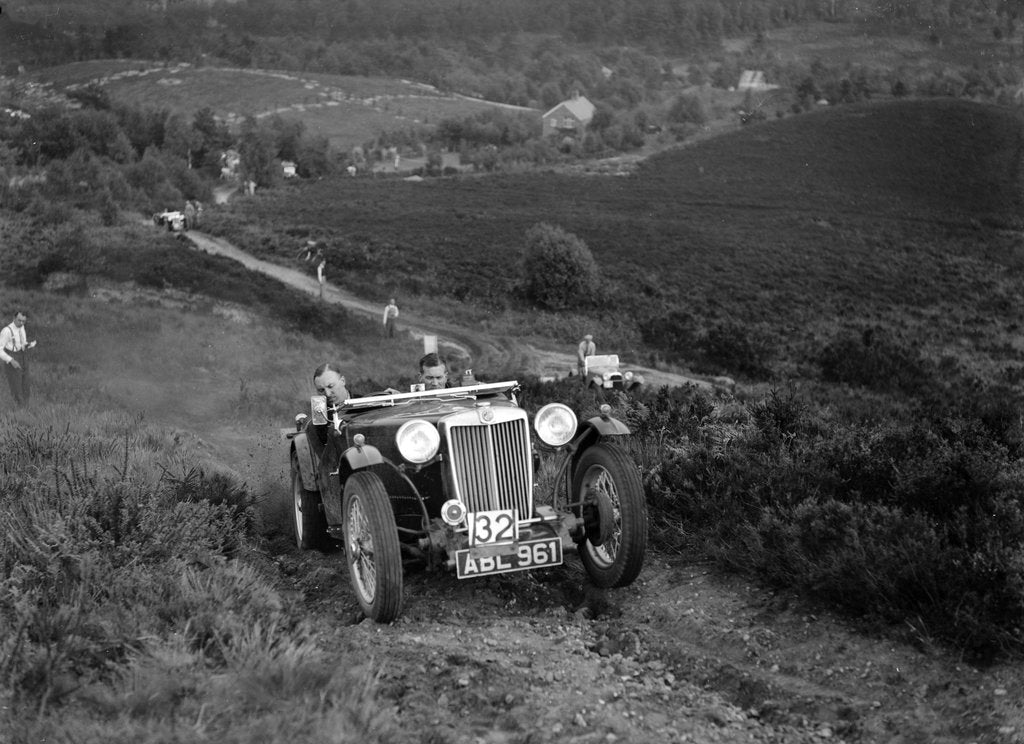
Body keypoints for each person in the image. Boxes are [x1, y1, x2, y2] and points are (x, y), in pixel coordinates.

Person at [1, 310, 36, 406]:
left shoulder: (22, 327)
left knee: (26, 384)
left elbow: (22, 343)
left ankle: (26, 409)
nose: (21, 323)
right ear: (14, 318)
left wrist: (28, 345)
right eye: (19, 320)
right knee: (16, 387)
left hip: (23, 356)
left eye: (23, 321)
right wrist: (11, 360)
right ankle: (19, 411)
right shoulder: (6, 331)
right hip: (12, 356)